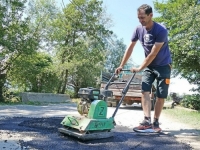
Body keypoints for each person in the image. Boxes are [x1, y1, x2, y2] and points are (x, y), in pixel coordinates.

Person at [115, 4, 172, 132]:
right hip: (149, 66)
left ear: (151, 15)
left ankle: (156, 123)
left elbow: (153, 53)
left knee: (160, 95)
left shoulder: (161, 30)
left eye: (143, 17)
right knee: (144, 90)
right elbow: (130, 48)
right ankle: (147, 121)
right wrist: (121, 65)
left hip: (163, 66)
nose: (140, 20)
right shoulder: (138, 29)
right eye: (138, 18)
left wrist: (140, 67)